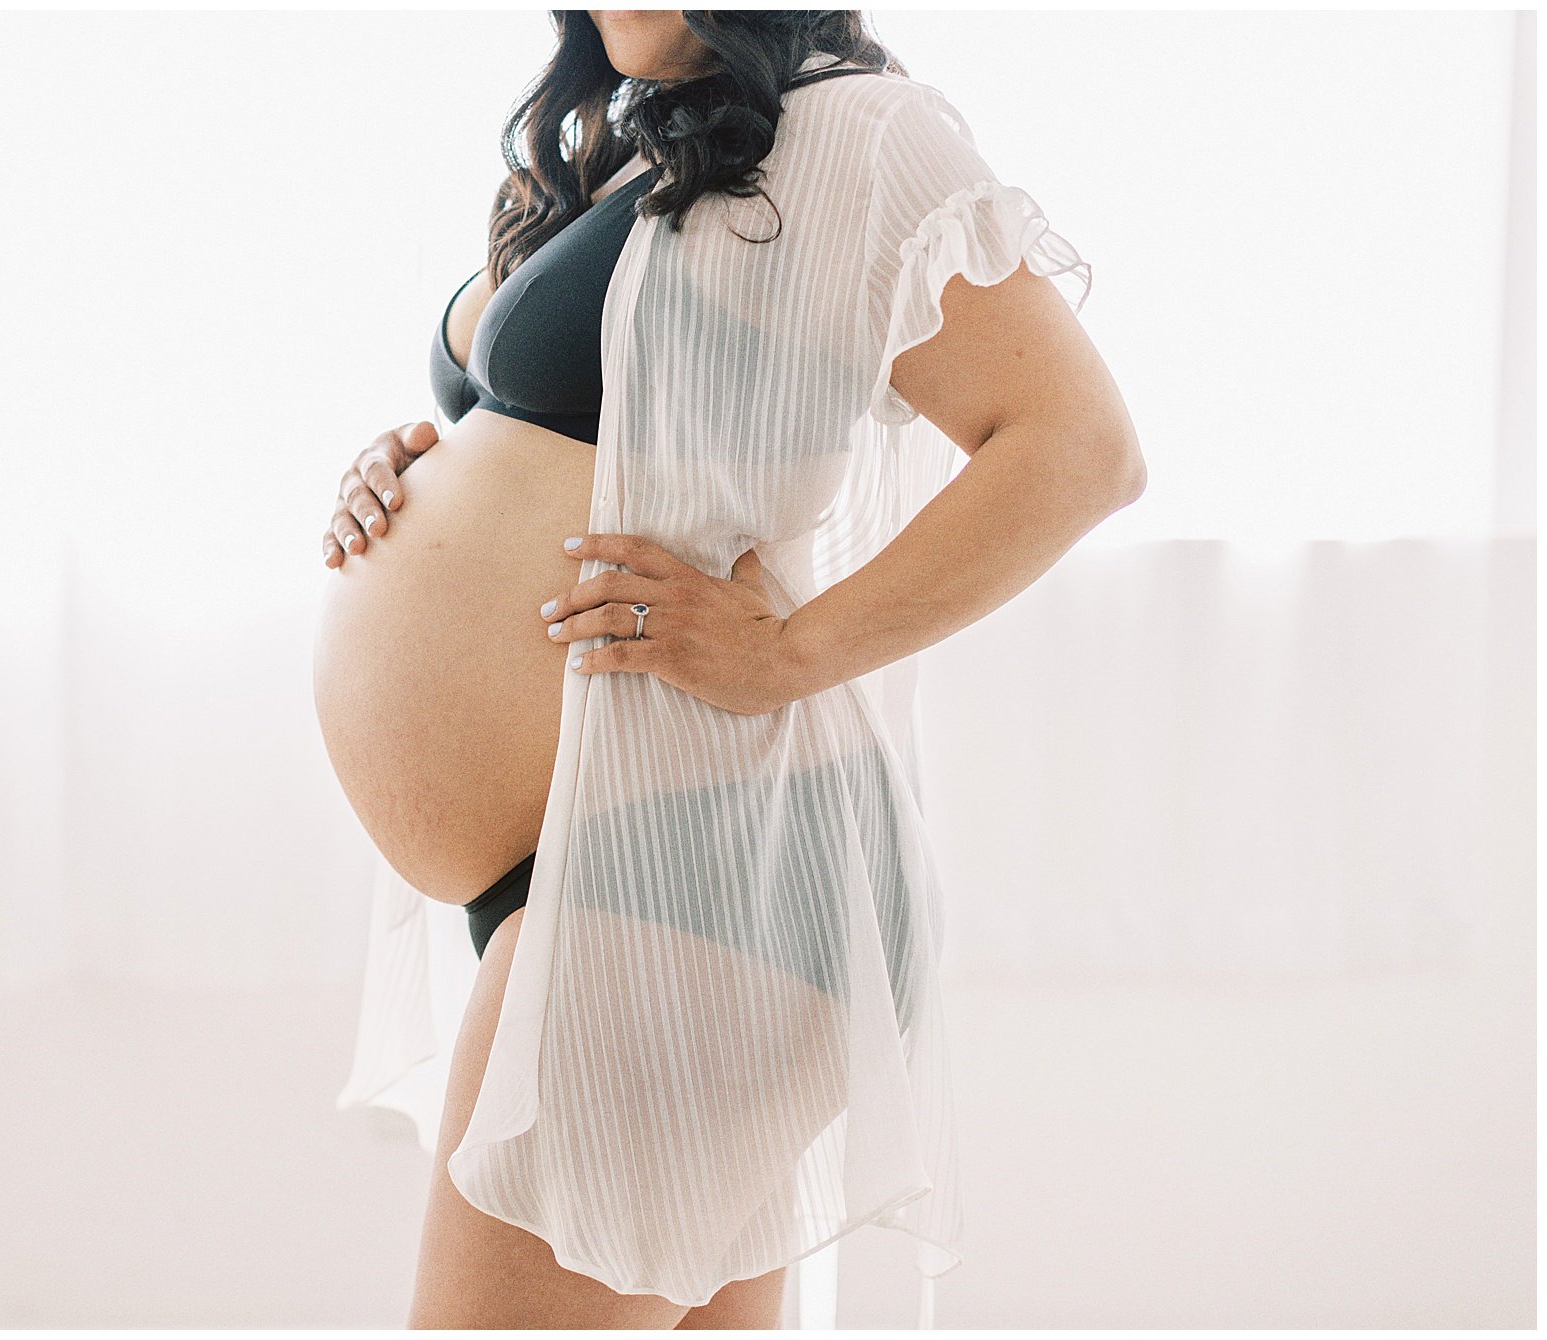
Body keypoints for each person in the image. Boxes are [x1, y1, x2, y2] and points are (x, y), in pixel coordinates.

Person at [313, 10, 1141, 1329]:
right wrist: (416, 464)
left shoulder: (860, 129)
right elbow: (560, 434)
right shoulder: (635, 144)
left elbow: (1080, 448)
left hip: (702, 857)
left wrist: (791, 651)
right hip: (621, 863)